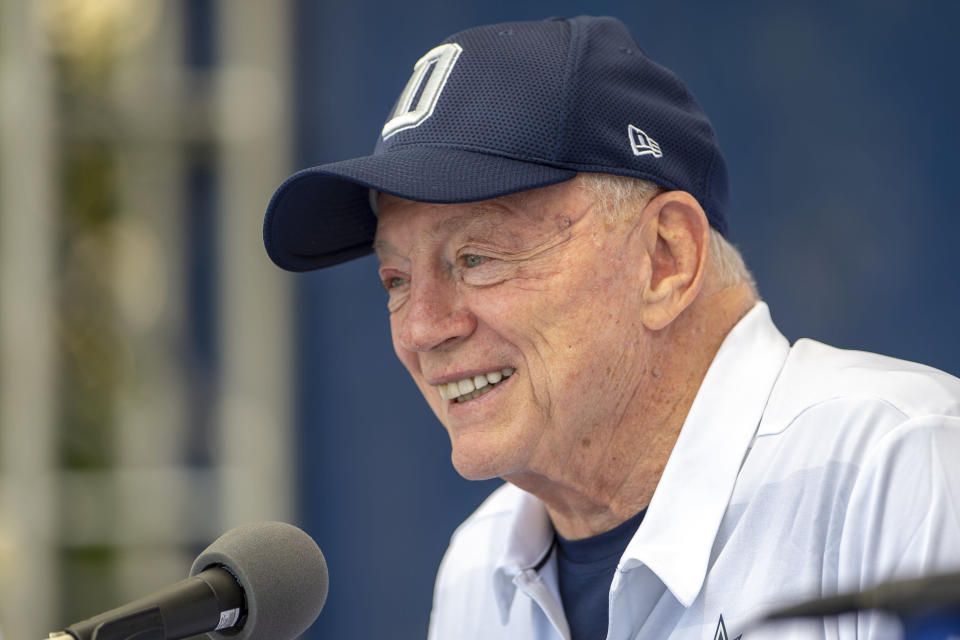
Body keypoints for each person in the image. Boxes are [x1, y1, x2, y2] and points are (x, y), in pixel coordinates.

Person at [262, 15, 960, 640]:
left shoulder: (901, 465)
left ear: (665, 260)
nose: (421, 329)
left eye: (477, 258)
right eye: (396, 281)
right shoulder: (480, 567)